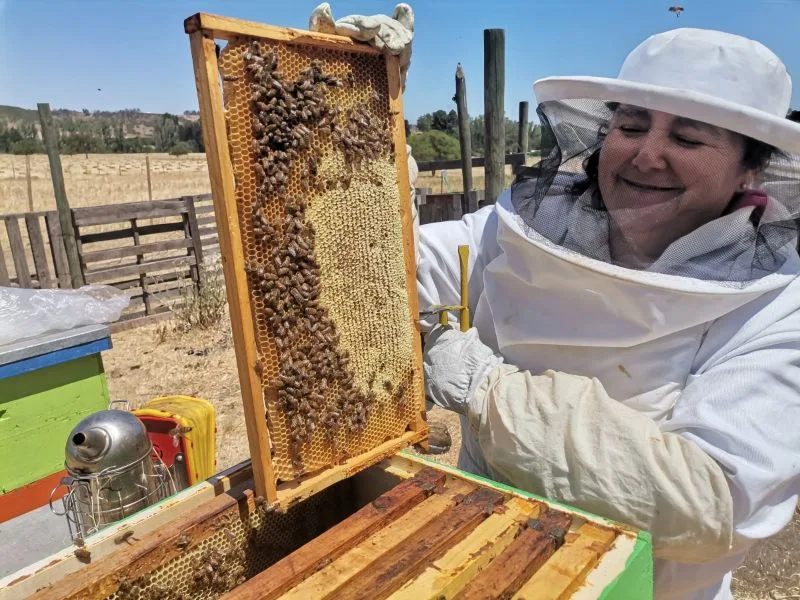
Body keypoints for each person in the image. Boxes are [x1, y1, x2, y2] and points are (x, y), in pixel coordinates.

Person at [311, 7, 800, 600]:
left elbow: (711, 501)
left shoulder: (776, 307)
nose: (647, 155)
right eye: (632, 126)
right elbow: (375, 270)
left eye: (688, 137)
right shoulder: (523, 226)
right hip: (474, 553)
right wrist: (351, 131)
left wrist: (487, 388)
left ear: (750, 165)